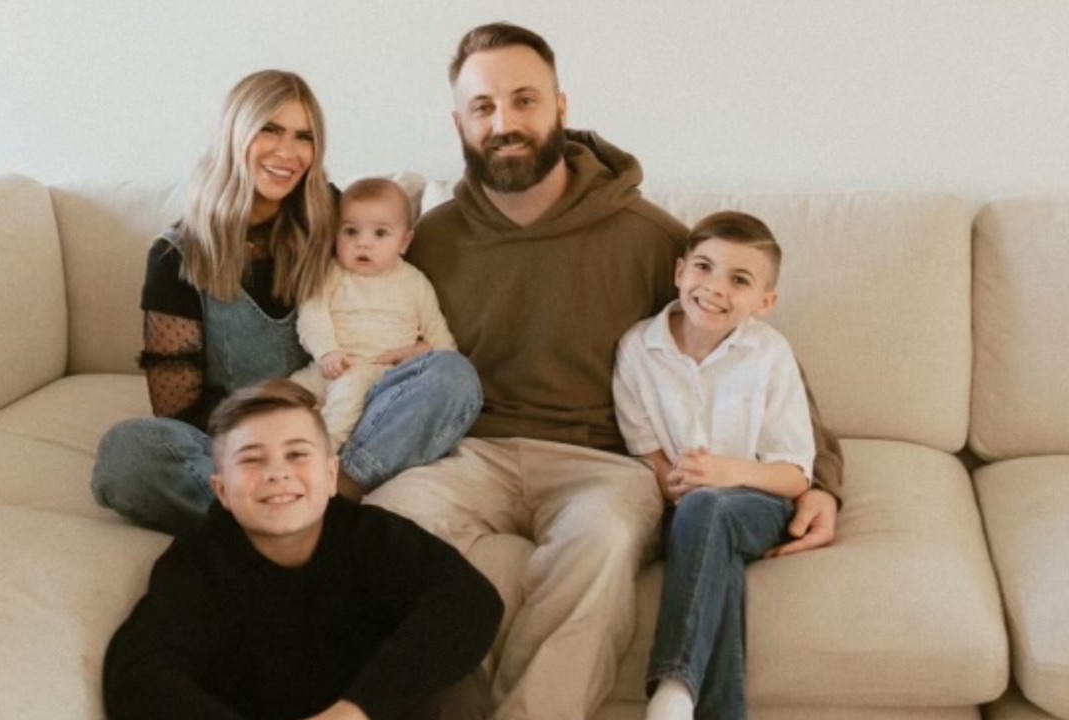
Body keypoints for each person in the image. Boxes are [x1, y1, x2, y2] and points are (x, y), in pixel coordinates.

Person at [364, 22, 844, 720]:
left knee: (603, 542)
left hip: (601, 464)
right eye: (483, 107)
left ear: (561, 106)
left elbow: (751, 356)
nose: (504, 123)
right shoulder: (429, 240)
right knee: (381, 528)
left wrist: (821, 481)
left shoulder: (646, 237)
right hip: (470, 456)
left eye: (524, 100)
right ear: (459, 124)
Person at [90, 70, 482, 534]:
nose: (287, 152)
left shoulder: (329, 215)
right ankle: (309, 516)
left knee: (452, 376)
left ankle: (323, 499)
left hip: (345, 424)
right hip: (244, 444)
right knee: (128, 453)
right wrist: (269, 432)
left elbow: (388, 280)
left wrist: (421, 350)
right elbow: (177, 411)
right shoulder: (178, 256)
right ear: (235, 134)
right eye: (270, 129)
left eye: (304, 136)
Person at [102, 379, 503, 720]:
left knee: (456, 681)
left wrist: (355, 711)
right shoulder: (200, 563)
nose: (277, 472)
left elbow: (469, 598)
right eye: (251, 460)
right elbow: (138, 671)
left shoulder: (371, 536)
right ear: (221, 490)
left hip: (372, 705)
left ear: (331, 475)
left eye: (296, 454)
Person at [613, 212, 814, 720]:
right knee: (710, 541)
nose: (715, 288)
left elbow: (794, 475)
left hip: (758, 504)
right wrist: (678, 484)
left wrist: (728, 473)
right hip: (683, 510)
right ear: (680, 272)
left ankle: (673, 685)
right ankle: (689, 706)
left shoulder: (770, 354)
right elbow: (647, 452)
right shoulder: (638, 348)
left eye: (740, 280)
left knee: (710, 508)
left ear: (765, 302)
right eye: (704, 267)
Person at [289, 178, 456, 450]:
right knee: (284, 394)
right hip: (328, 365)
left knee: (348, 396)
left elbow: (442, 340)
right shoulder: (330, 273)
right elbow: (312, 315)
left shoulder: (415, 283)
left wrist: (424, 350)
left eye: (380, 233)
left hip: (378, 375)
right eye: (351, 231)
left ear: (404, 242)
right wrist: (326, 351)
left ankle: (323, 453)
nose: (363, 243)